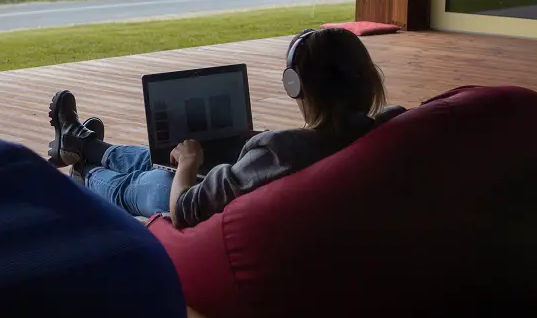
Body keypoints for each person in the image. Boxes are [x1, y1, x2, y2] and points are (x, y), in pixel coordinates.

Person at [46, 27, 405, 229]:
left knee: (155, 181)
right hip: (251, 183)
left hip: (209, 213)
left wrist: (188, 166)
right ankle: (85, 143)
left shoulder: (277, 151)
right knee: (155, 157)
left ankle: (85, 169)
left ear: (294, 85)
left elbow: (185, 209)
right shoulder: (382, 126)